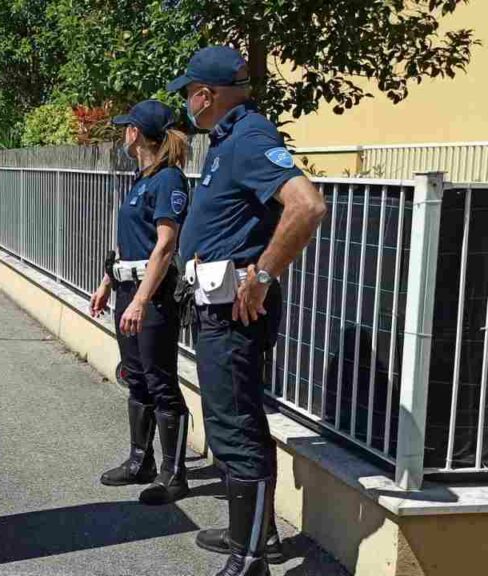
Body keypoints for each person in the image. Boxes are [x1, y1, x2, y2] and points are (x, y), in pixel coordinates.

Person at [167, 46, 326, 576]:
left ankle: (251, 557)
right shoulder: (228, 141)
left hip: (235, 310)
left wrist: (262, 274)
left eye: (189, 94)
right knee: (232, 421)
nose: (187, 104)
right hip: (217, 306)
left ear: (207, 95)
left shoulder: (249, 137)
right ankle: (252, 535)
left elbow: (307, 205)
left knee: (236, 426)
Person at [90, 100, 192, 506]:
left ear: (136, 133)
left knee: (160, 380)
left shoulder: (169, 180)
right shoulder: (141, 179)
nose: (122, 134)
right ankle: (140, 461)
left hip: (152, 297)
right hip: (128, 290)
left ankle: (174, 473)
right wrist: (106, 283)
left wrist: (142, 301)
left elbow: (166, 245)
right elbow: (126, 244)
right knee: (135, 376)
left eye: (125, 128)